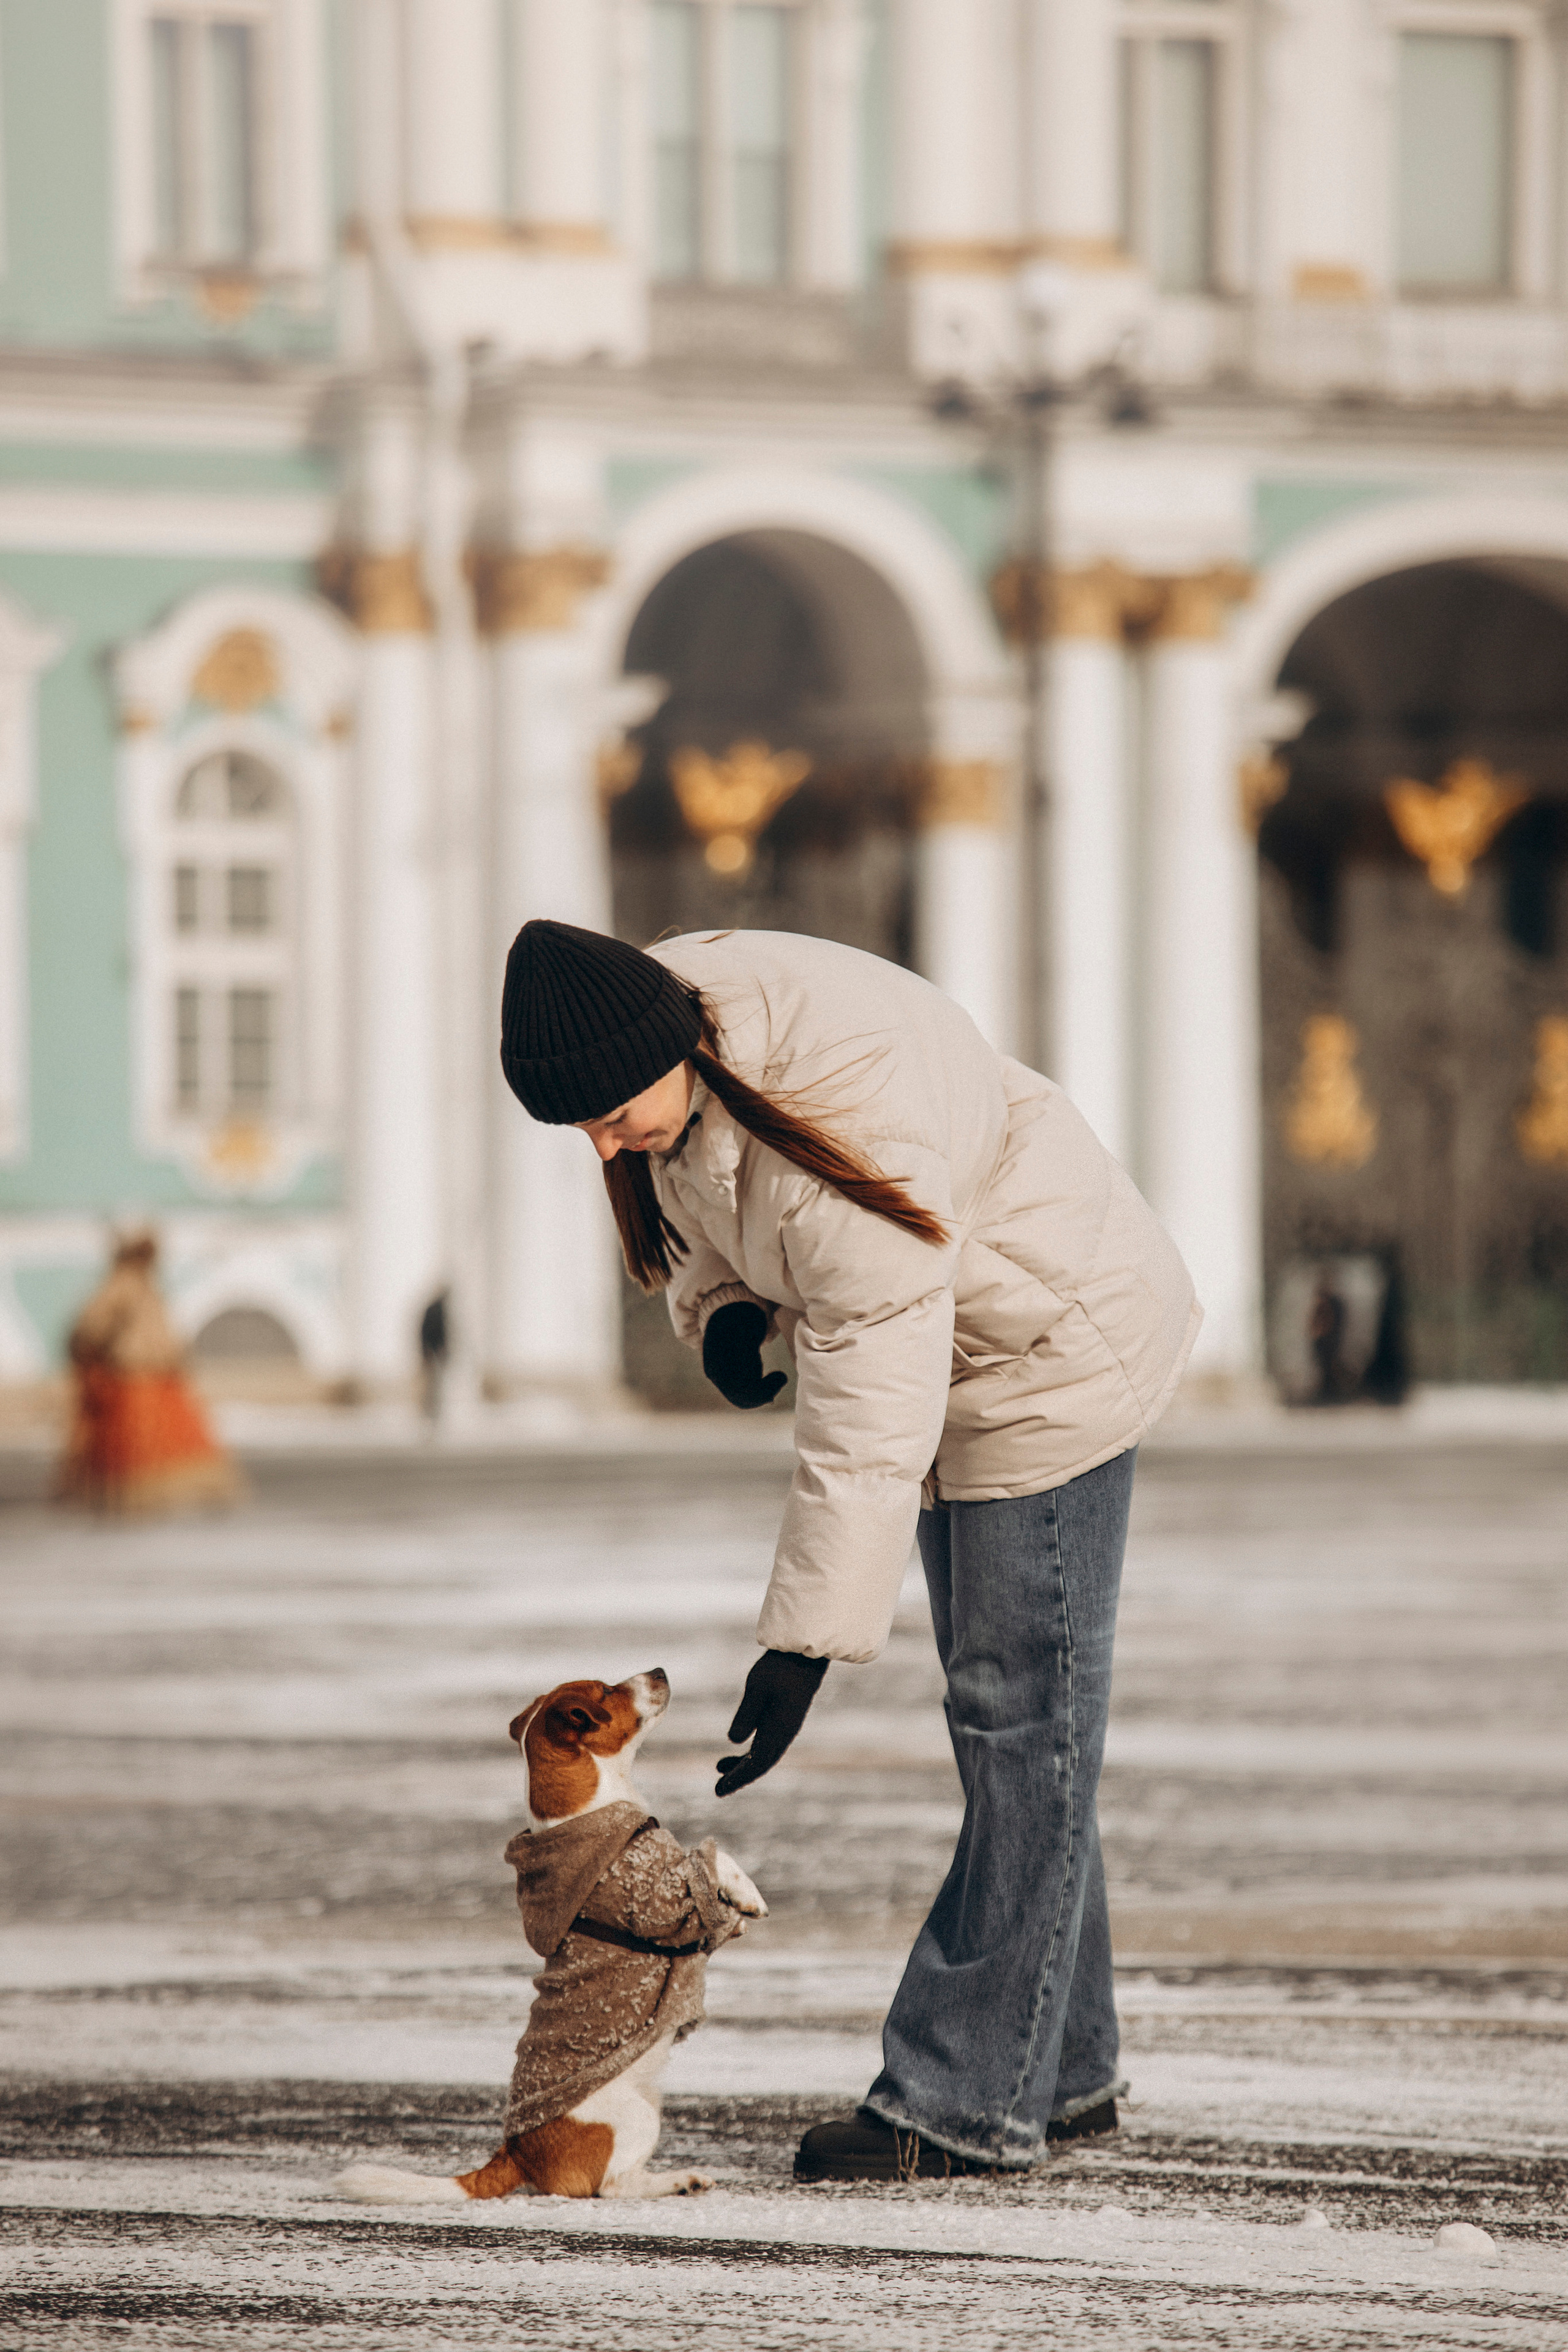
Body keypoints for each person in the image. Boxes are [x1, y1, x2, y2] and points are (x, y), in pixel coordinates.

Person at [497, 921, 1199, 2180]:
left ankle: (964, 2099)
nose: (603, 1146)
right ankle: (1064, 2068)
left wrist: (803, 1648)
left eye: (607, 1117)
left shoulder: (841, 1100)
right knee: (1023, 1732)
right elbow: (715, 1193)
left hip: (1046, 1356)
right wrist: (720, 1305)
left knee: (1021, 1723)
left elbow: (870, 1401)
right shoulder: (670, 1037)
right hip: (963, 1360)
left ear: (664, 1051)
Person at [56, 1232, 243, 1515]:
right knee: (139, 1439)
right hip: (134, 1375)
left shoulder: (144, 1286)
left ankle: (156, 1493)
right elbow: (91, 1326)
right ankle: (136, 1495)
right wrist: (94, 1353)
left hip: (159, 1375)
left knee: (162, 1438)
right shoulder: (123, 1286)